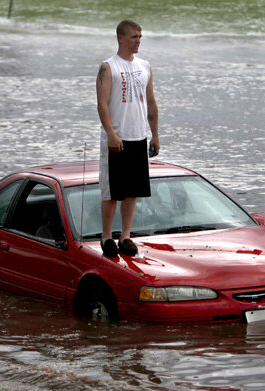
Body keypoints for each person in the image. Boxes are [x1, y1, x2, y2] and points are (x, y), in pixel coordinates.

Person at [96, 20, 159, 257]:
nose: (138, 41)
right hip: (116, 137)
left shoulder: (145, 66)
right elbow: (102, 104)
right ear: (120, 38)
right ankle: (106, 236)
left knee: (133, 191)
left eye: (140, 36)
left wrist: (155, 135)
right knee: (112, 192)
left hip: (138, 136)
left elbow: (151, 101)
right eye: (133, 36)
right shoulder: (108, 67)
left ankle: (125, 236)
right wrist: (111, 133)